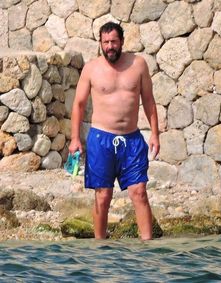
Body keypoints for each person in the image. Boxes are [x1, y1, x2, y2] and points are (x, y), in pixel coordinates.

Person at [69, 22, 160, 240]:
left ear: (122, 42)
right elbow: (79, 104)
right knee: (103, 196)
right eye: (106, 42)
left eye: (114, 42)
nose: (110, 46)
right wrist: (74, 139)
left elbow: (149, 101)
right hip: (101, 139)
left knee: (139, 192)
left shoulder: (138, 65)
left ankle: (147, 249)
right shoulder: (91, 68)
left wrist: (155, 133)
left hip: (132, 139)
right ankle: (100, 248)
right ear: (100, 43)